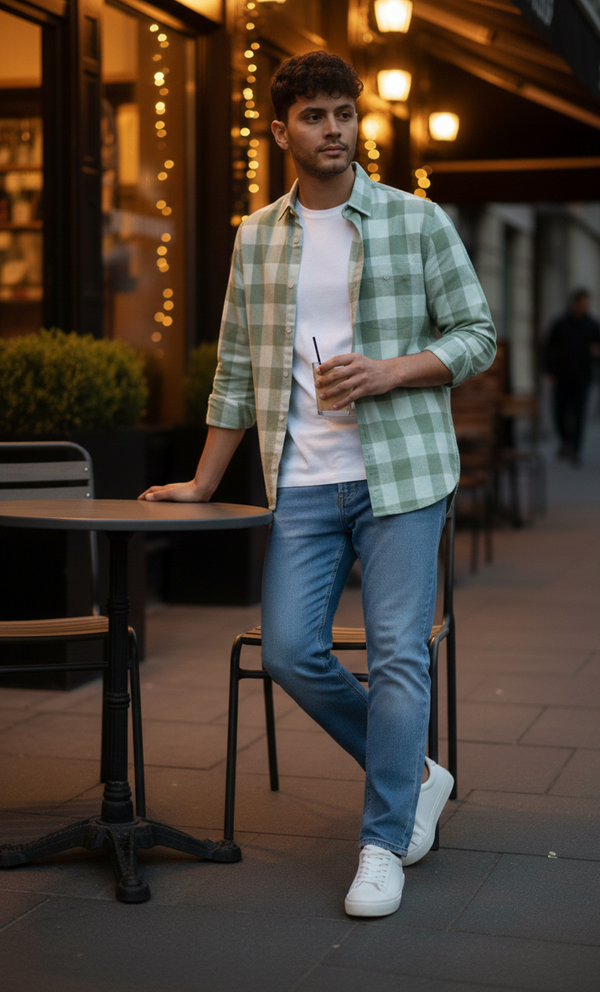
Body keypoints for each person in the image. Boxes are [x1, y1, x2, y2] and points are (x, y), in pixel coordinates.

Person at [139, 51, 496, 918]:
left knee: (399, 658)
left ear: (356, 119)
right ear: (280, 130)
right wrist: (201, 479)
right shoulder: (255, 236)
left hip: (403, 476)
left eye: (344, 113)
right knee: (294, 653)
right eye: (314, 116)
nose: (332, 129)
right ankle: (413, 773)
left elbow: (477, 335)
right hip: (301, 481)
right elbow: (233, 370)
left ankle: (383, 841)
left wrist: (391, 372)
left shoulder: (417, 221)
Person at [544, 289, 600, 465]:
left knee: (578, 415)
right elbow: (549, 348)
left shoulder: (592, 325)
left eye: (587, 304)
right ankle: (565, 440)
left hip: (582, 377)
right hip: (561, 376)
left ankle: (575, 451)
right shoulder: (561, 324)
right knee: (559, 413)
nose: (584, 307)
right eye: (582, 304)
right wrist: (549, 371)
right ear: (575, 304)